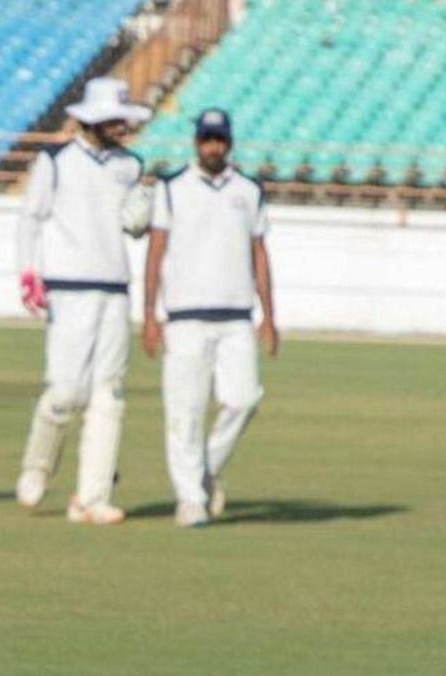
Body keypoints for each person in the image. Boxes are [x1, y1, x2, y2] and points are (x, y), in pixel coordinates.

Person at [14, 77, 152, 525]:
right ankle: (37, 467)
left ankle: (91, 498)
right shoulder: (54, 160)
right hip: (68, 287)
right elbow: (30, 220)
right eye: (115, 117)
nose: (122, 125)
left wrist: (142, 215)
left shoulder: (130, 165)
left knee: (108, 393)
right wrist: (29, 274)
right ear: (93, 118)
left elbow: (133, 224)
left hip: (114, 287)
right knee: (66, 389)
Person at [142, 108, 277, 527]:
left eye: (219, 140)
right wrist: (149, 314)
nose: (213, 147)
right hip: (184, 317)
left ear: (229, 142)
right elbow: (155, 252)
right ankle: (190, 499)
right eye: (206, 139)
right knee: (185, 410)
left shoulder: (249, 190)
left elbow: (259, 253)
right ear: (196, 142)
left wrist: (269, 315)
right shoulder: (171, 188)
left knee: (243, 399)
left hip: (236, 315)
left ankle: (202, 471)